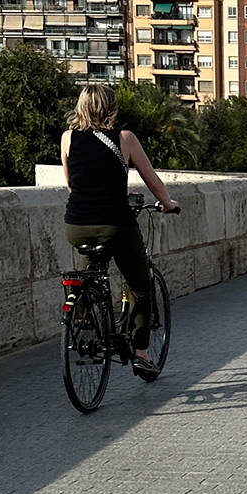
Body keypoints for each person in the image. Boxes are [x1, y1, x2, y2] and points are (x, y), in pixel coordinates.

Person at [60, 84, 180, 378]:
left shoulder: (67, 138)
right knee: (140, 285)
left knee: (86, 277)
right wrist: (167, 203)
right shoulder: (124, 139)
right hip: (115, 225)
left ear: (81, 108)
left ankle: (85, 319)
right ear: (111, 108)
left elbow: (71, 184)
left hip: (76, 225)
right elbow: (151, 180)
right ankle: (140, 351)